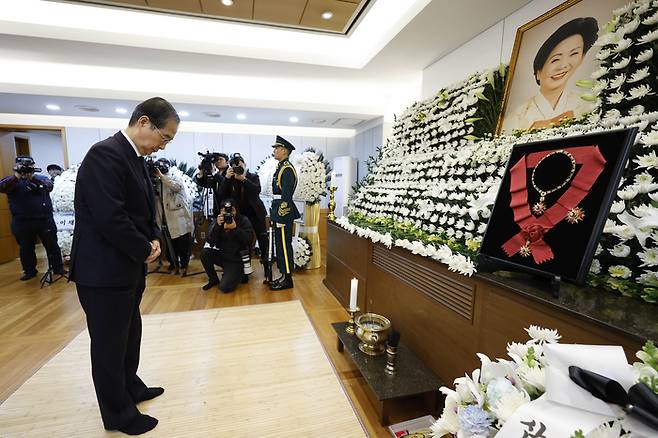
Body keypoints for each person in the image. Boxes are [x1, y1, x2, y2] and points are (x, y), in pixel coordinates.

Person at [69, 97, 179, 435]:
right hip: (103, 272)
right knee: (108, 344)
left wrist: (155, 239)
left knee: (129, 335)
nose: (163, 145)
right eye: (165, 137)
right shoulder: (106, 154)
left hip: (125, 267)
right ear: (144, 122)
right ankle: (118, 414)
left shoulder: (134, 158)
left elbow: (144, 210)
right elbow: (110, 217)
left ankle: (131, 386)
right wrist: (144, 247)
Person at [503, 17, 598, 132]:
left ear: (582, 58)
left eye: (573, 54)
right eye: (555, 59)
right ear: (538, 72)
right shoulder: (516, 118)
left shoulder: (587, 105)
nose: (563, 65)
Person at [0, 156, 65, 280]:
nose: (25, 169)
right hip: (22, 221)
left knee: (52, 245)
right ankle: (29, 271)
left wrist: (32, 177)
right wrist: (17, 176)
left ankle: (58, 268)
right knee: (26, 248)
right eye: (22, 166)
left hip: (44, 219)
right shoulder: (11, 181)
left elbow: (49, 186)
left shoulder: (41, 179)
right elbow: (2, 187)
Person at [218, 153, 268, 276]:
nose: (238, 169)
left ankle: (267, 269)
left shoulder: (253, 176)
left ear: (244, 164)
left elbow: (257, 190)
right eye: (235, 167)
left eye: (239, 165)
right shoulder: (231, 179)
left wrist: (244, 179)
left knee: (263, 242)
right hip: (242, 216)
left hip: (256, 215)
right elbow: (221, 194)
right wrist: (227, 179)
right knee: (244, 243)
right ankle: (246, 269)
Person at [200, 198, 254, 293]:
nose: (229, 213)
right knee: (205, 253)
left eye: (231, 210)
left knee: (224, 288)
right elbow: (210, 241)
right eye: (226, 210)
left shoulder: (243, 220)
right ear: (221, 210)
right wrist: (217, 226)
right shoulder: (218, 220)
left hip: (237, 259)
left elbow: (249, 241)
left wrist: (236, 229)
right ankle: (213, 279)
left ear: (236, 209)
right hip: (222, 255)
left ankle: (240, 274)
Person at [152, 158, 194, 276]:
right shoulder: (156, 179)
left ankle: (184, 263)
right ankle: (173, 262)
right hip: (164, 216)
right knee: (169, 241)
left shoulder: (175, 175)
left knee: (182, 241)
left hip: (177, 216)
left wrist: (162, 177)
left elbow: (177, 186)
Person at [269, 135, 300, 291]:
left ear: (284, 151)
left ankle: (288, 279)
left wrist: (281, 215)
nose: (274, 151)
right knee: (279, 246)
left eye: (276, 148)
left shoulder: (287, 169)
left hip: (283, 212)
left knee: (284, 245)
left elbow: (286, 196)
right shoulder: (281, 166)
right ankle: (283, 275)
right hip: (277, 210)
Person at [195, 152, 228, 217]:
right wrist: (201, 170)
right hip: (217, 208)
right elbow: (204, 184)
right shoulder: (215, 174)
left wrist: (214, 173)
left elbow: (225, 183)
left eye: (220, 159)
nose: (218, 161)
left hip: (227, 206)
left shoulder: (230, 172)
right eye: (216, 160)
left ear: (227, 162)